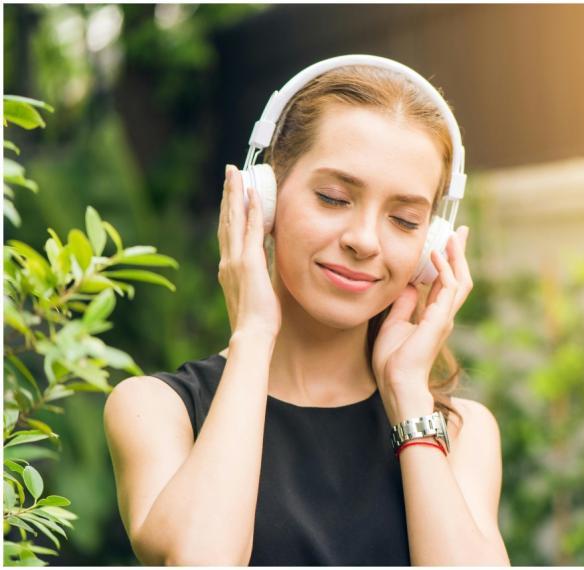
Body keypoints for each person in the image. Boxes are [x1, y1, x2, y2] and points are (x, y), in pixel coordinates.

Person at [104, 59, 510, 566]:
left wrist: (408, 397)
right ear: (263, 198)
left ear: (432, 246)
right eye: (333, 198)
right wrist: (253, 336)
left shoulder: (460, 431)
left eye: (404, 220)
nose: (364, 240)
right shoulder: (157, 410)